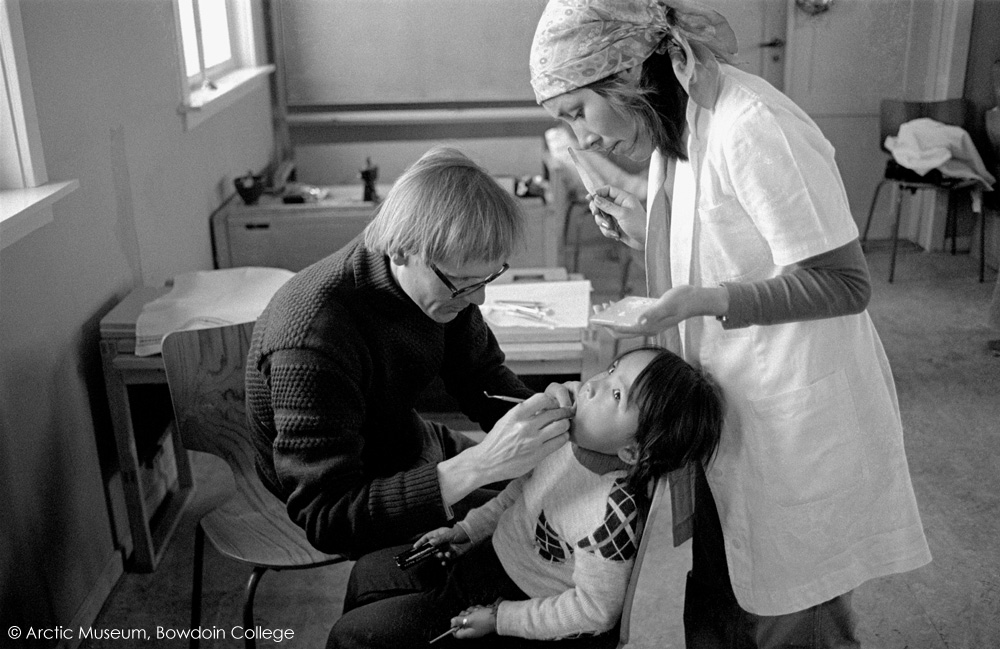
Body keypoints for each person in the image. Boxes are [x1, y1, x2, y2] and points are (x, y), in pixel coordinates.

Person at [529, 1, 932, 647]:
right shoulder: (676, 128)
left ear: (628, 71)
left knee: (790, 613)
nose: (582, 138)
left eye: (577, 111)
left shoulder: (753, 122)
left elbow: (844, 282)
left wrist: (702, 300)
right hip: (726, 418)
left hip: (791, 427)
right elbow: (728, 247)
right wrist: (647, 230)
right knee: (724, 603)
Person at [246, 146, 575, 559]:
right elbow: (327, 516)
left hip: (402, 442)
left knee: (545, 492)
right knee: (528, 539)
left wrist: (546, 418)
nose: (480, 297)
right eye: (464, 282)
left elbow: (483, 379)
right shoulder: (313, 341)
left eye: (488, 277)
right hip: (351, 496)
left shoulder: (438, 284)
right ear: (400, 249)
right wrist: (481, 465)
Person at [327, 346, 724, 648]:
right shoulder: (564, 444)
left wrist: (500, 619)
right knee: (367, 574)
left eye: (616, 395)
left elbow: (596, 611)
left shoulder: (610, 517)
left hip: (515, 605)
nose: (594, 383)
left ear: (632, 453)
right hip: (487, 560)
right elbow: (518, 497)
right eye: (611, 370)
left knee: (353, 635)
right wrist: (465, 531)